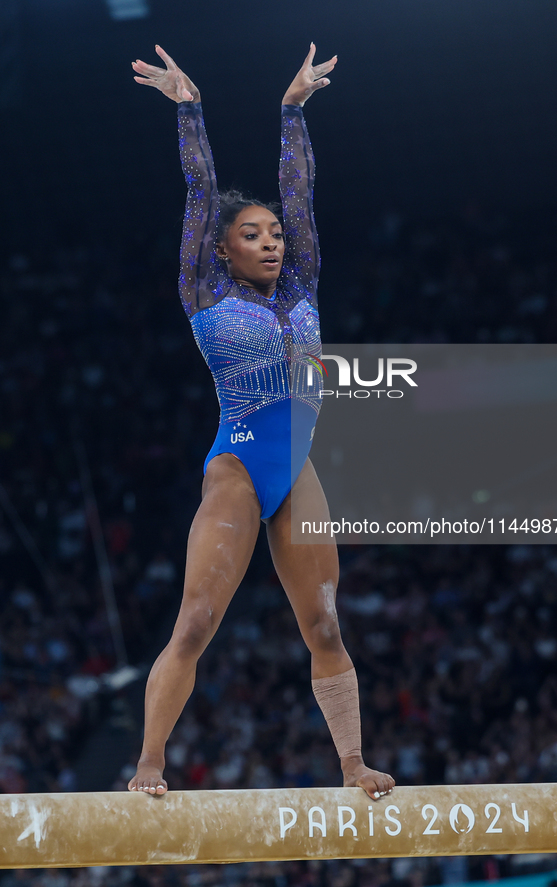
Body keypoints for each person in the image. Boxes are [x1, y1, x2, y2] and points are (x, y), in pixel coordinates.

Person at [128, 44, 395, 801]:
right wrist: (189, 109)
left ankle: (352, 765)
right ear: (220, 251)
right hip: (240, 466)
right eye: (253, 233)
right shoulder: (203, 288)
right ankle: (149, 762)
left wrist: (291, 114)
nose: (272, 238)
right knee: (196, 620)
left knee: (324, 626)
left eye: (275, 232)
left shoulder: (302, 281)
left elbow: (300, 195)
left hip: (296, 469)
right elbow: (199, 186)